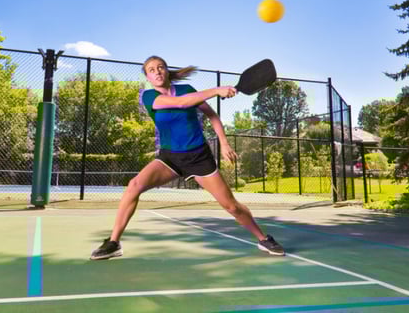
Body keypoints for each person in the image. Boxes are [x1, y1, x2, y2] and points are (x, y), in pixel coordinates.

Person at [90, 56, 285, 260]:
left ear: (166, 71)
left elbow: (212, 115)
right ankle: (113, 243)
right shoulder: (148, 96)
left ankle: (263, 239)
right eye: (151, 69)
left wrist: (224, 143)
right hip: (169, 158)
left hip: (199, 157)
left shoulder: (188, 90)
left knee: (231, 206)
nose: (156, 71)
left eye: (160, 67)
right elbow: (181, 104)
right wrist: (216, 90)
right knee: (134, 185)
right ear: (147, 76)